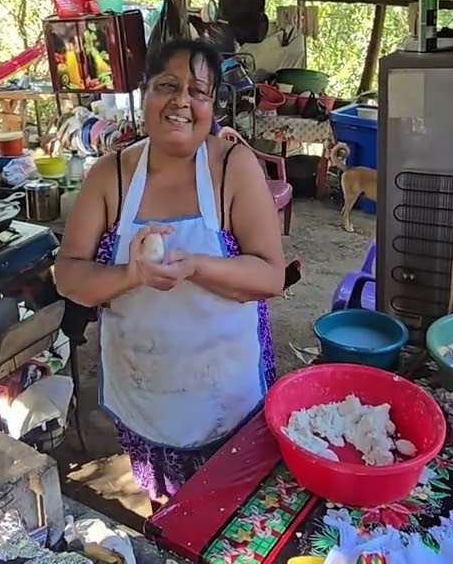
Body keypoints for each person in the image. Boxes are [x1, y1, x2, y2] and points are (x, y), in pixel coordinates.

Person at [55, 39, 286, 504]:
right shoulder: (111, 175)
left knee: (231, 510)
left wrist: (197, 266)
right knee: (170, 505)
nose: (182, 100)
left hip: (227, 391)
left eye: (198, 91)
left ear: (212, 105)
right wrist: (131, 276)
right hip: (145, 391)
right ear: (144, 95)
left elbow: (269, 276)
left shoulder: (231, 167)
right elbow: (68, 276)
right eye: (168, 86)